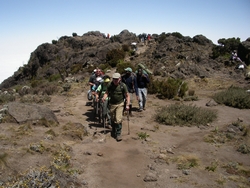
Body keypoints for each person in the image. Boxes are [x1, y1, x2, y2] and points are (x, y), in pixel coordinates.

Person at [102, 73, 130, 141]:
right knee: (112, 118)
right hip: (112, 104)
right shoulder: (110, 85)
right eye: (114, 79)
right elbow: (107, 92)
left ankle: (118, 134)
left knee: (118, 119)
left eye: (117, 79)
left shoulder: (123, 86)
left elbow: (127, 95)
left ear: (119, 79)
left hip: (120, 104)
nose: (115, 81)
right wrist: (104, 98)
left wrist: (127, 104)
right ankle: (114, 130)